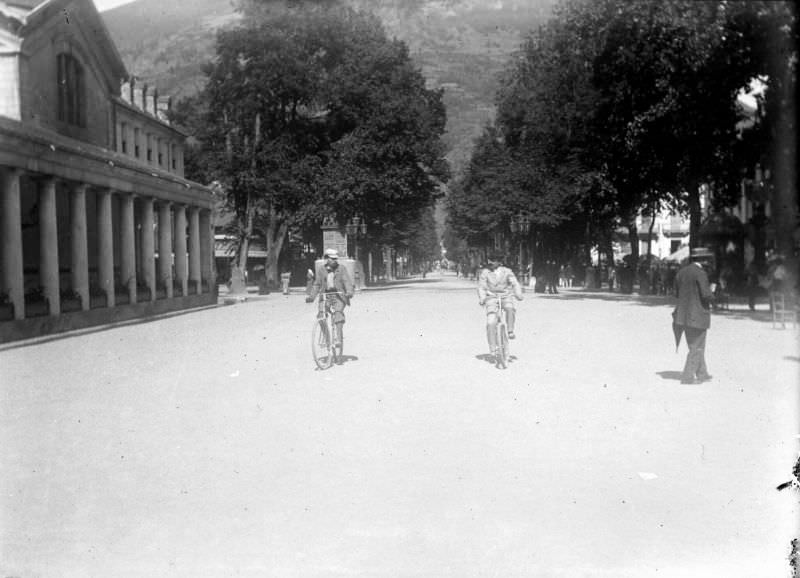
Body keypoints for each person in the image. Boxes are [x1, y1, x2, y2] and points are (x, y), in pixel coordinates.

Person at [673, 247, 715, 384]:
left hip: (682, 316)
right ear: (702, 260)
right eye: (707, 259)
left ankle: (702, 373)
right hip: (697, 315)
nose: (709, 262)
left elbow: (676, 293)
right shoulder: (701, 273)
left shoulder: (681, 272)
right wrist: (713, 292)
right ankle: (687, 377)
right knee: (697, 346)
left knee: (695, 344)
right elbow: (706, 295)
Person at [477, 253, 523, 359]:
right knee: (490, 322)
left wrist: (518, 294)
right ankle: (493, 349)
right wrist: (482, 298)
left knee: (510, 308)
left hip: (505, 295)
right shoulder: (485, 273)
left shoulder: (507, 271)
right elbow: (481, 287)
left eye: (493, 260)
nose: (491, 263)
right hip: (491, 297)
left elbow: (515, 283)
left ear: (499, 261)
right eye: (490, 260)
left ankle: (510, 330)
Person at [305, 248, 354, 347]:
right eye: (332, 259)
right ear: (327, 259)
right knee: (321, 315)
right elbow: (317, 285)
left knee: (338, 313)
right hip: (325, 296)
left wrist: (349, 292)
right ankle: (327, 339)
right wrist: (311, 297)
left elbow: (347, 282)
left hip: (338, 296)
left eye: (336, 259)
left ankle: (339, 340)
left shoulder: (342, 269)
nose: (335, 260)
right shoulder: (321, 270)